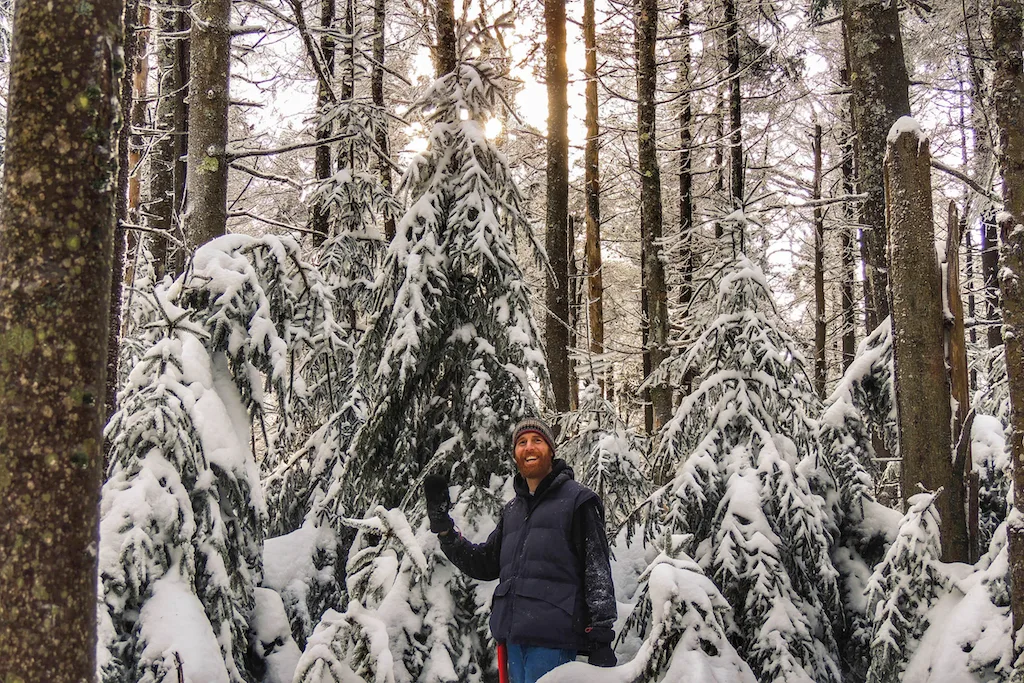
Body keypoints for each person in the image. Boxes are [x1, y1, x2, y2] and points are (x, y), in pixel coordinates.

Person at [423, 417, 617, 683]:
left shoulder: (577, 500)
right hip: (513, 640)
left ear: (551, 450)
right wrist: (445, 530)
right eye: (522, 443)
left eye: (537, 441)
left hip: (553, 640)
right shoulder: (513, 510)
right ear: (515, 454)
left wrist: (602, 636)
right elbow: (484, 563)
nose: (529, 447)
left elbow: (597, 570)